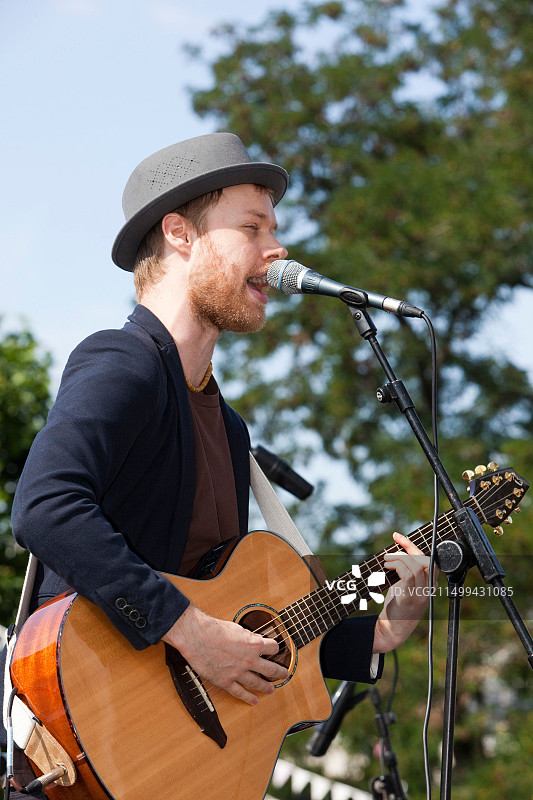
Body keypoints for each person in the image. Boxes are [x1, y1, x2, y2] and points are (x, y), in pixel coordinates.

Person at [3, 133, 430, 798]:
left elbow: (238, 610)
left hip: (175, 760)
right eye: (252, 227)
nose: (276, 250)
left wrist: (376, 632)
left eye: (275, 231)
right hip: (88, 735)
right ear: (179, 233)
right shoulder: (123, 362)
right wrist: (189, 630)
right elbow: (45, 506)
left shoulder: (227, 429)